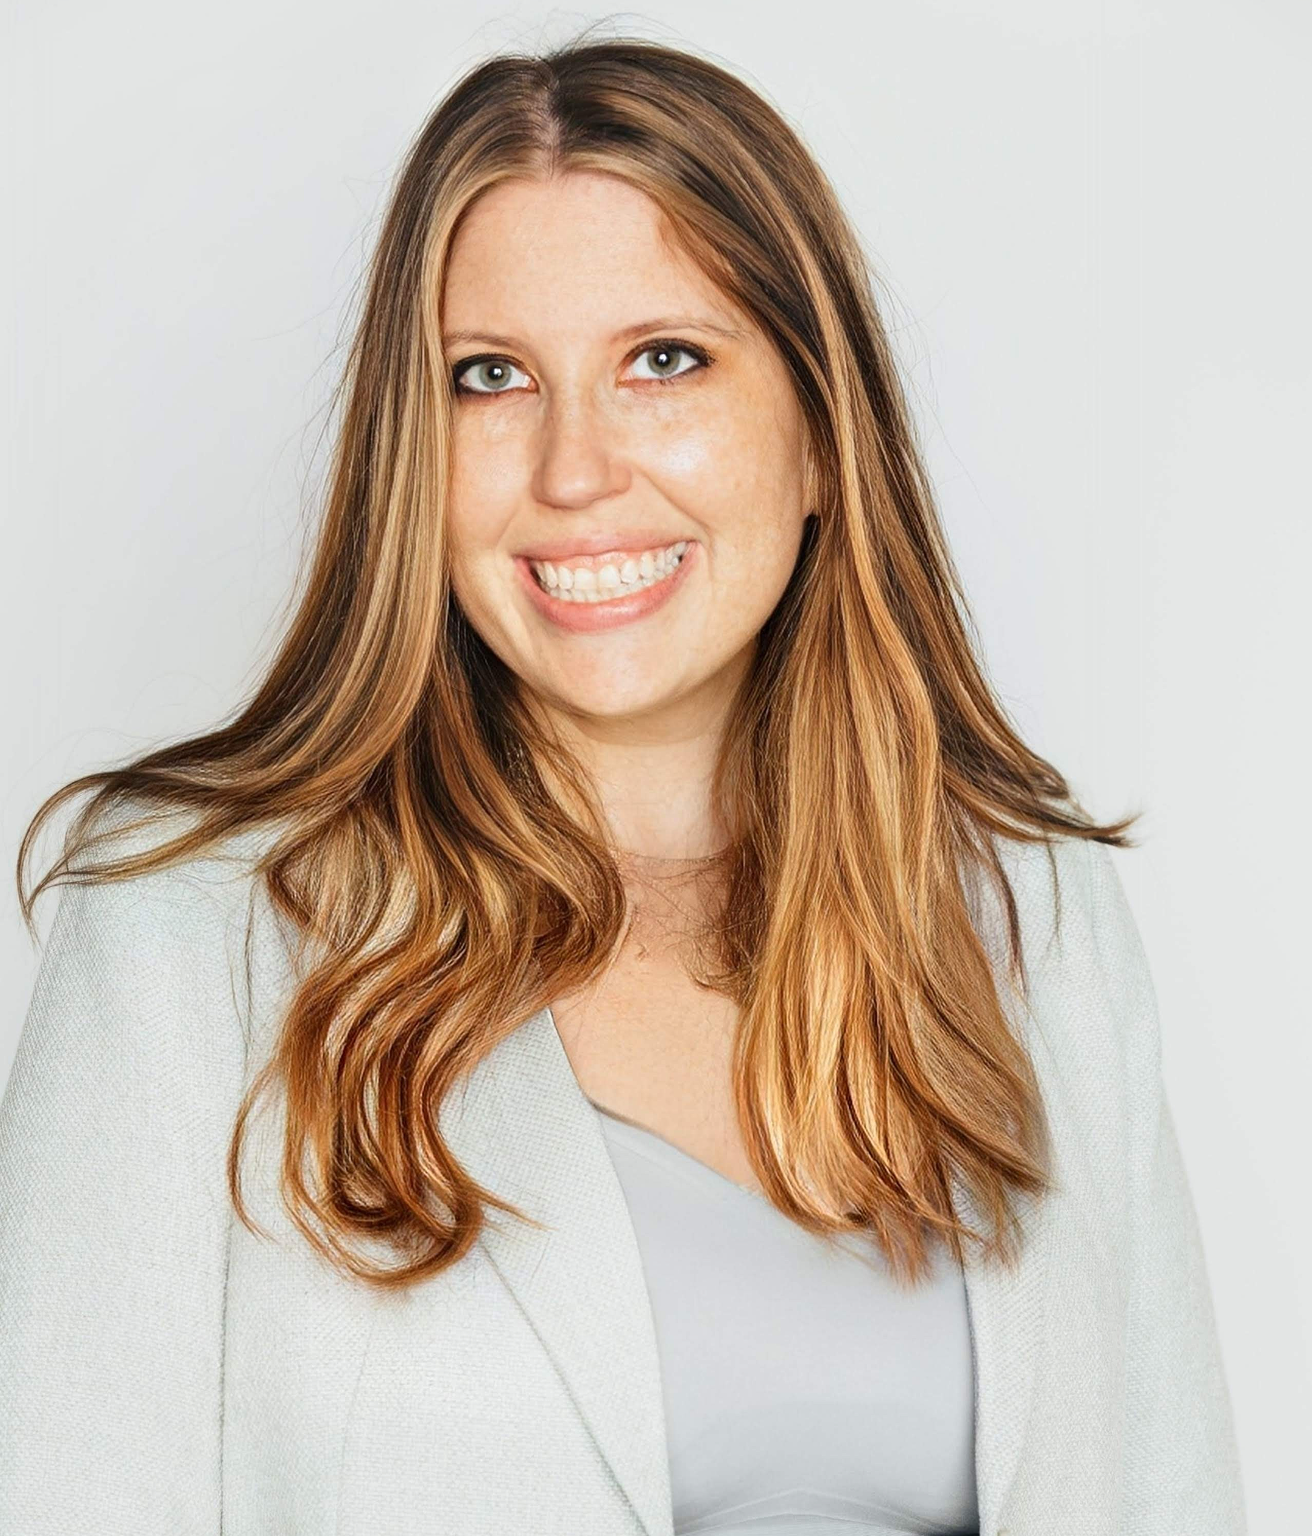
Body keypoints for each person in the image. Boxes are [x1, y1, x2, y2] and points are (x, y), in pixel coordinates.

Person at [0, 34, 1245, 1536]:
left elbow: (1172, 1497)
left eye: (664, 361)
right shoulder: (192, 934)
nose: (575, 469)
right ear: (413, 457)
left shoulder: (1032, 917)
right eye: (490, 378)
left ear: (821, 435)